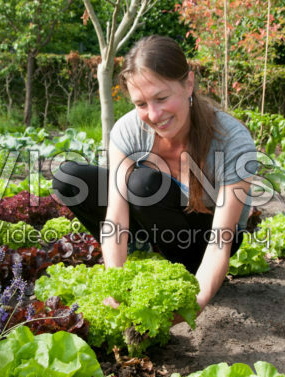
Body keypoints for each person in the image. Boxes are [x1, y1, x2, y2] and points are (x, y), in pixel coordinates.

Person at [52, 35, 258, 314]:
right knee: (70, 177)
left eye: (161, 98)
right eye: (141, 104)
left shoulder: (232, 140)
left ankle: (186, 271)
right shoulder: (128, 131)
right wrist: (116, 286)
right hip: (156, 222)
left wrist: (189, 306)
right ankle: (145, 255)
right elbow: (115, 216)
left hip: (205, 240)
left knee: (144, 183)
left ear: (188, 84)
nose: (154, 114)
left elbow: (221, 241)